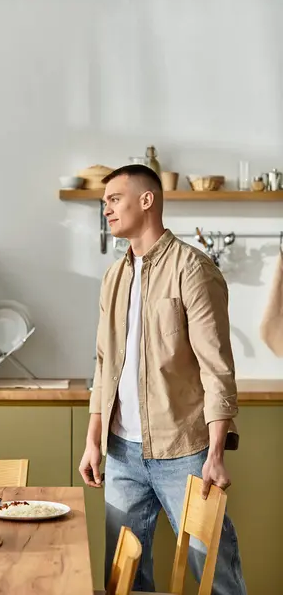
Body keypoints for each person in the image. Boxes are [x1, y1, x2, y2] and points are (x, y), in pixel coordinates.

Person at [79, 164, 247, 594]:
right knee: (125, 580)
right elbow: (103, 364)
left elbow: (217, 368)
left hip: (185, 452)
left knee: (215, 571)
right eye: (105, 204)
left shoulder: (192, 269)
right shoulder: (114, 277)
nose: (107, 210)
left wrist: (214, 454)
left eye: (115, 199)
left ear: (147, 200)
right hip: (121, 454)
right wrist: (94, 441)